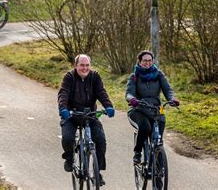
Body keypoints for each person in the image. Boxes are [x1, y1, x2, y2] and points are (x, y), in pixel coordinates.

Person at [58, 54, 115, 186]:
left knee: (100, 139)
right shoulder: (69, 77)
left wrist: (108, 106)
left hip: (90, 114)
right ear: (75, 65)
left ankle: (97, 172)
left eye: (87, 65)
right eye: (82, 65)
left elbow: (101, 92)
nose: (85, 68)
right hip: (71, 114)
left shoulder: (95, 76)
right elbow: (63, 94)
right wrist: (63, 109)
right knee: (67, 138)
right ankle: (69, 158)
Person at [125, 50, 180, 164]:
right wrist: (133, 99)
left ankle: (158, 164)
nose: (147, 63)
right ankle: (138, 153)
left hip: (156, 108)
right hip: (139, 109)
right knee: (145, 128)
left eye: (149, 60)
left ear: (153, 61)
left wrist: (171, 99)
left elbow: (168, 90)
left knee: (158, 135)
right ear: (139, 62)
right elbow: (129, 93)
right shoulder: (134, 76)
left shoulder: (159, 75)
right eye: (144, 60)